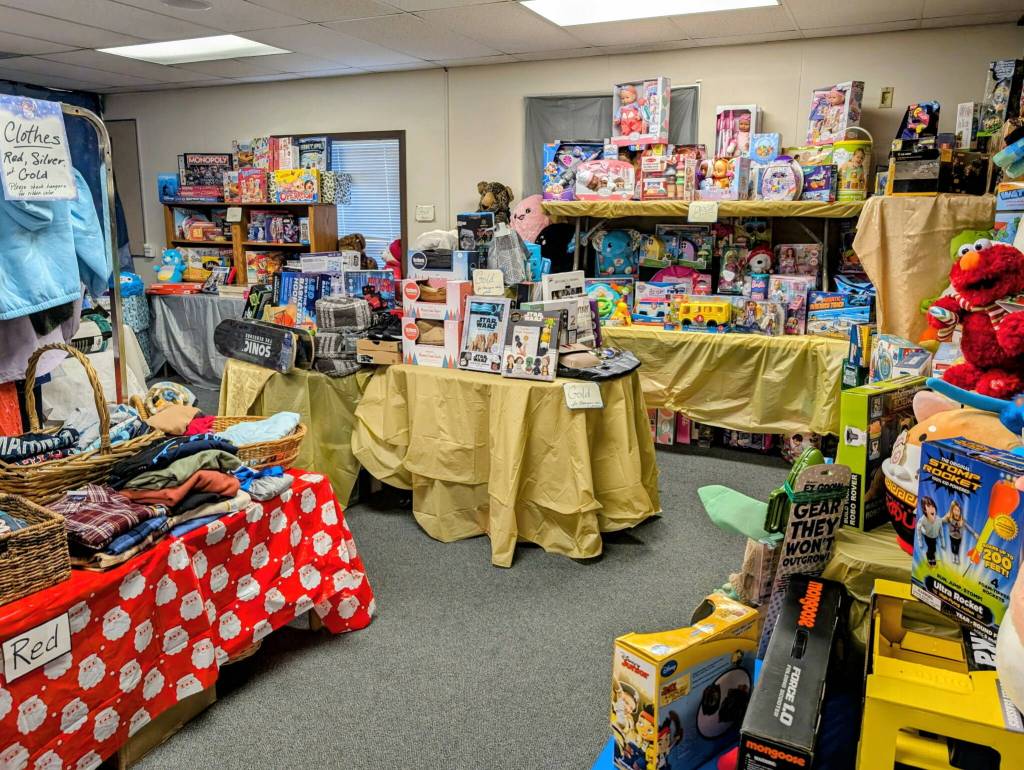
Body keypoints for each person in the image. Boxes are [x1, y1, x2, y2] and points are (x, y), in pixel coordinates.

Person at [918, 496, 943, 567]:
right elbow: (918, 528)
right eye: (928, 506)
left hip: (934, 536)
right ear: (924, 509)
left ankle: (931, 555)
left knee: (933, 548)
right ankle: (930, 557)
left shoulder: (937, 518)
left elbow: (940, 528)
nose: (932, 508)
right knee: (931, 548)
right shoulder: (922, 519)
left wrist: (942, 541)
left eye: (933, 506)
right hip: (928, 536)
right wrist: (920, 541)